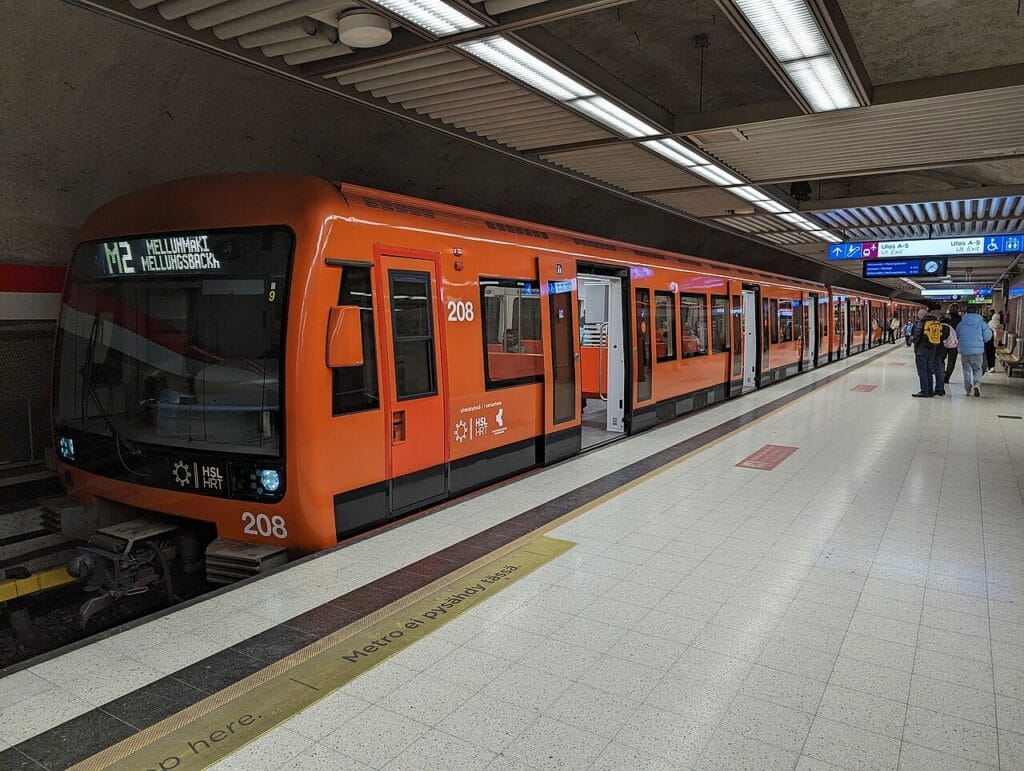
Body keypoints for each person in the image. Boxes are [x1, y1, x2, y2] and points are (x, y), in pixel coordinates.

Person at [910, 308, 948, 397]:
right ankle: (930, 391)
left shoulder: (921, 323)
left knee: (922, 371)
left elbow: (916, 338)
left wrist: (911, 340)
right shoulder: (936, 323)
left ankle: (924, 391)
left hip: (921, 351)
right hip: (932, 350)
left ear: (921, 316)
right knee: (929, 371)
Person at [957, 307, 992, 397]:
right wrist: (981, 341)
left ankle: (968, 389)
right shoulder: (982, 323)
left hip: (964, 351)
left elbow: (957, 335)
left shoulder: (961, 323)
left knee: (966, 370)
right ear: (976, 313)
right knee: (977, 369)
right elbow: (988, 336)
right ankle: (977, 385)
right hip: (977, 351)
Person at [942, 304, 962, 384]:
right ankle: (947, 378)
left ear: (949, 309)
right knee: (951, 361)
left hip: (944, 342)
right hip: (954, 343)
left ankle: (941, 374)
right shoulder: (960, 319)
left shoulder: (945, 318)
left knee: (941, 359)